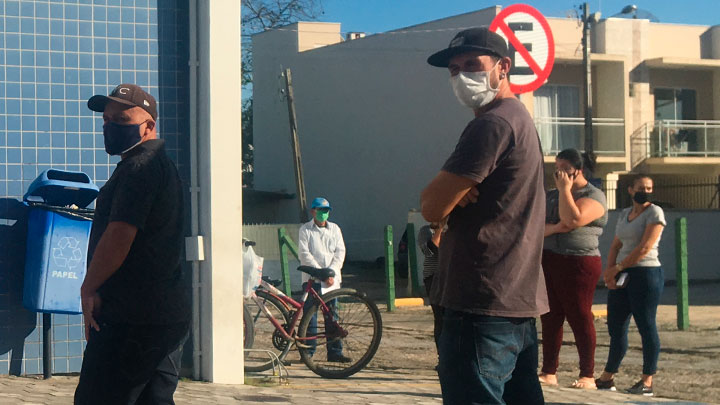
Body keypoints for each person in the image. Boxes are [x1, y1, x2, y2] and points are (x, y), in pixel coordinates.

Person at [421, 27, 548, 404]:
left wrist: (449, 195)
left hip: (480, 302)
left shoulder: (492, 124)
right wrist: (454, 194)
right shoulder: (519, 117)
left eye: (472, 64)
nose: (462, 75)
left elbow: (431, 207)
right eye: (454, 69)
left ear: (503, 67)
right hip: (513, 303)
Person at [75, 84, 189, 404]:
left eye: (121, 119)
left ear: (148, 125)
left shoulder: (140, 168)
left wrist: (88, 288)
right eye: (106, 119)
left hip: (131, 320)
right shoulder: (163, 166)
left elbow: (120, 235)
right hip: (165, 315)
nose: (109, 126)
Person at [539, 149, 608, 389]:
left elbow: (572, 220)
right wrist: (556, 228)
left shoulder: (594, 195)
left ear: (578, 170)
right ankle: (549, 371)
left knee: (579, 314)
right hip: (550, 258)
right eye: (557, 168)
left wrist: (565, 191)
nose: (560, 174)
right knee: (550, 316)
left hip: (579, 261)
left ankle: (587, 374)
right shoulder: (551, 196)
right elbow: (536, 226)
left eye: (565, 169)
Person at [596, 175, 666, 396]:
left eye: (649, 188)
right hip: (623, 273)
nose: (645, 191)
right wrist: (610, 271)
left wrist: (618, 267)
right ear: (630, 190)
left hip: (646, 273)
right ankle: (607, 377)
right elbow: (616, 244)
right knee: (616, 325)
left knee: (646, 324)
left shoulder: (655, 213)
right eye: (641, 187)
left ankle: (647, 381)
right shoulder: (625, 214)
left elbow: (645, 247)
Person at [297, 197, 350, 363]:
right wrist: (320, 273)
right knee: (310, 318)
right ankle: (308, 352)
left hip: (331, 282)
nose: (323, 213)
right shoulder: (305, 230)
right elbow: (304, 254)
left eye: (326, 211)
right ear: (313, 211)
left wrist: (331, 273)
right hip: (312, 280)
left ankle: (335, 352)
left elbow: (340, 252)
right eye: (320, 210)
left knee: (332, 316)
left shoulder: (335, 229)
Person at [417, 222, 444, 360]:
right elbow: (430, 250)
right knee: (440, 318)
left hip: (450, 277)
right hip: (433, 277)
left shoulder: (454, 229)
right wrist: (439, 230)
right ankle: (442, 355)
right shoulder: (425, 231)